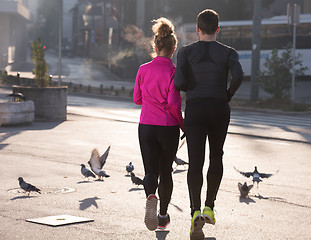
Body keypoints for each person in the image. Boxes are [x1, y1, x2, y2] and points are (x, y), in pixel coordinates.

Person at [174, 9, 243, 240]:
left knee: (196, 160)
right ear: (218, 29)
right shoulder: (229, 52)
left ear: (197, 29)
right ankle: (209, 207)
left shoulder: (185, 52)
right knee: (216, 156)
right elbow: (239, 76)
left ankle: (194, 212)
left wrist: (191, 87)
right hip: (219, 108)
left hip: (195, 108)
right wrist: (227, 95)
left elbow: (180, 83)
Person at [133, 17, 184, 231]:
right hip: (168, 127)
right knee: (166, 171)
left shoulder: (143, 69)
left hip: (146, 125)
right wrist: (183, 124)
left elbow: (137, 98)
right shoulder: (174, 71)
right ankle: (162, 215)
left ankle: (150, 197)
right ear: (174, 49)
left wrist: (151, 102)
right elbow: (173, 103)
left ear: (155, 46)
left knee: (150, 171)